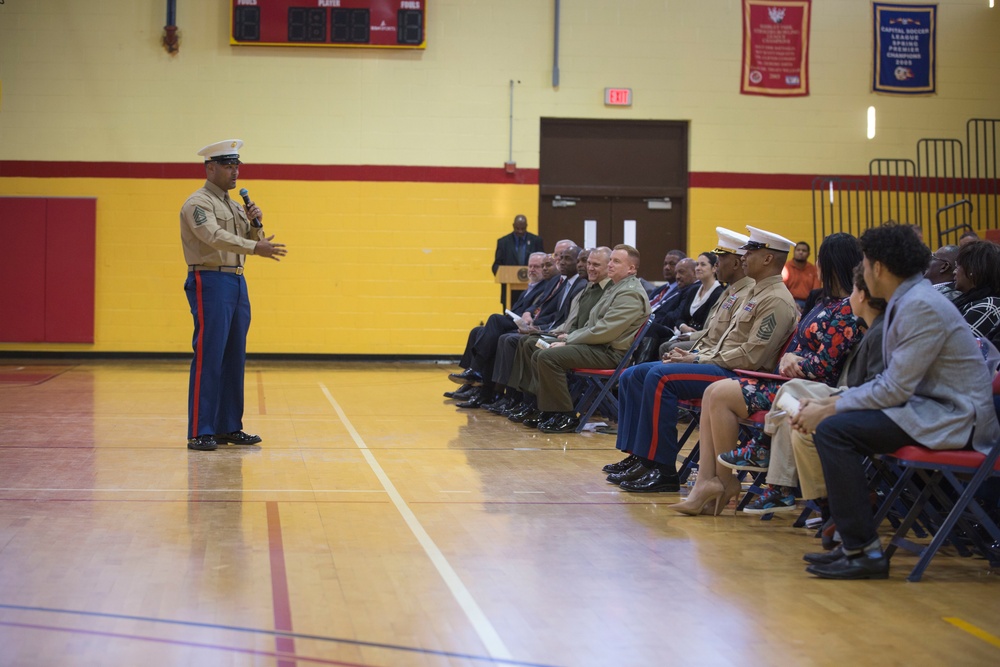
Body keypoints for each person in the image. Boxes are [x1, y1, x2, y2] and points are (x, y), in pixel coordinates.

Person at [798, 222, 1000, 580]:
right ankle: (855, 546)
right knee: (834, 426)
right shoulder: (907, 300)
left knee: (834, 430)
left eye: (865, 261)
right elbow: (892, 386)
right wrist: (833, 403)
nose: (861, 269)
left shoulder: (918, 305)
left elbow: (893, 389)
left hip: (955, 420)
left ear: (878, 266)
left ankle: (862, 550)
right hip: (929, 409)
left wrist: (830, 406)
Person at [668, 233, 865, 515]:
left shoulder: (847, 307)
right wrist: (791, 357)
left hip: (809, 387)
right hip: (788, 379)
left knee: (720, 393)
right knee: (714, 391)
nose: (817, 266)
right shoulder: (823, 301)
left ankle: (724, 480)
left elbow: (825, 367)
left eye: (821, 260)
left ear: (832, 264)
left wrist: (794, 359)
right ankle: (707, 481)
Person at [605, 226, 798, 492]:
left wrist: (697, 360)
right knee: (634, 374)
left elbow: (751, 356)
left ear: (767, 259)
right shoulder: (754, 293)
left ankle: (663, 470)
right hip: (724, 366)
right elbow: (719, 340)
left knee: (660, 377)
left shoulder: (775, 299)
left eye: (751, 252)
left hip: (742, 378)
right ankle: (643, 457)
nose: (744, 258)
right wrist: (695, 355)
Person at [180, 139, 287, 451]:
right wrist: (256, 246)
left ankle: (228, 425)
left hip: (237, 282)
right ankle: (201, 429)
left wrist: (256, 226)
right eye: (228, 166)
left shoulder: (232, 205)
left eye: (237, 165)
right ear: (210, 168)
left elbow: (249, 239)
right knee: (209, 355)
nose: (235, 171)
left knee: (233, 356)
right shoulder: (198, 204)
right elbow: (213, 236)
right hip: (210, 280)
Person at [528, 245, 651, 434]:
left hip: (610, 353)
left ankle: (566, 415)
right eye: (610, 260)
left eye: (616, 261)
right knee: (539, 354)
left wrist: (569, 340)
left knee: (548, 357)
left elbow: (605, 331)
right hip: (598, 347)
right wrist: (570, 337)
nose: (610, 264)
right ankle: (548, 410)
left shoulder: (630, 293)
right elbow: (594, 325)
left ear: (632, 269)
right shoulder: (617, 287)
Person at [951, 240, 1000, 344]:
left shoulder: (987, 307)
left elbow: (956, 346)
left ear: (972, 270)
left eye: (958, 266)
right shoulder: (969, 299)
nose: (954, 272)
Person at [493, 214, 545, 308]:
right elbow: (496, 265)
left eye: (523, 228)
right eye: (517, 228)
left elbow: (543, 263)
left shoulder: (536, 241)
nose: (520, 231)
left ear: (527, 226)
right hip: (510, 291)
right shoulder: (503, 242)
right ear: (513, 226)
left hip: (532, 289)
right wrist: (504, 275)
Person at [782, 241, 821, 311]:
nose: (800, 252)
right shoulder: (786, 268)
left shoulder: (813, 269)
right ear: (794, 252)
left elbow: (816, 291)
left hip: (809, 302)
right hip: (790, 302)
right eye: (798, 250)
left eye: (804, 250)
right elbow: (783, 289)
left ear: (808, 254)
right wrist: (792, 303)